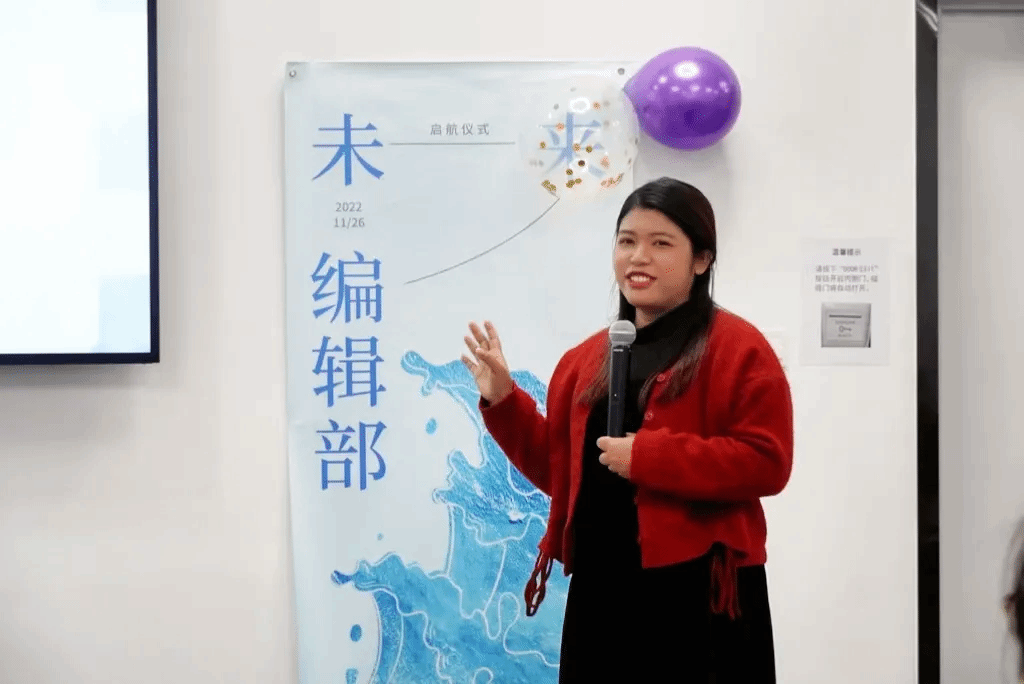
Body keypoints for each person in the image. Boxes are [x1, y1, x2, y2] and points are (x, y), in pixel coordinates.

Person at [460, 176, 794, 683]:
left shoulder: (739, 348)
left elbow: (768, 462)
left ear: (702, 259)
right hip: (603, 591)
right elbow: (561, 474)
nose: (639, 257)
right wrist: (504, 401)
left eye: (661, 243)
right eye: (627, 241)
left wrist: (649, 458)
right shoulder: (585, 360)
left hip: (699, 594)